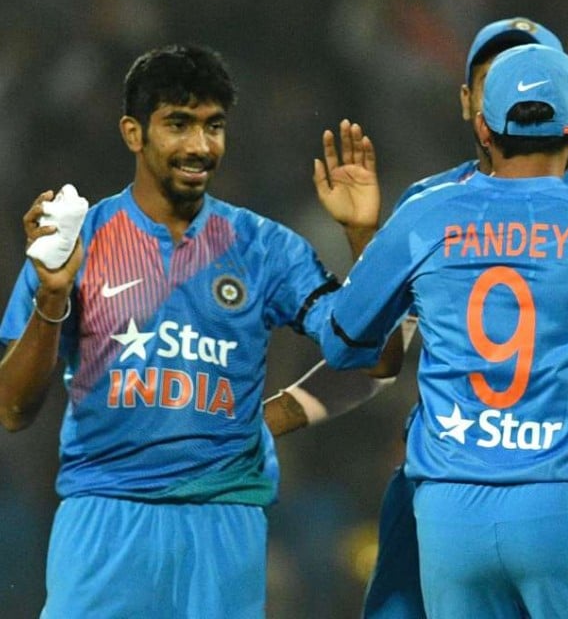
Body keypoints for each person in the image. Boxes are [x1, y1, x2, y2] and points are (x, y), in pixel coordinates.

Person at [303, 43, 568, 619]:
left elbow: (342, 342)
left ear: (483, 127)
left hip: (451, 516)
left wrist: (363, 239)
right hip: (564, 505)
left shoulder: (425, 215)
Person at [0, 45, 391, 618]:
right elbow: (12, 411)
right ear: (134, 133)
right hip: (107, 516)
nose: (199, 146)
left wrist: (364, 239)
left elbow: (375, 361)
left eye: (213, 126)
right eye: (178, 125)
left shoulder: (264, 247)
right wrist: (54, 296)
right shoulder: (77, 241)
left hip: (224, 521)